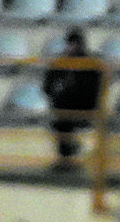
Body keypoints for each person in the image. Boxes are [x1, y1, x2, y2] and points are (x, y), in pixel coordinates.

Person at [41, 28, 104, 169]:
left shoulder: (91, 63)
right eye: (70, 44)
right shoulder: (60, 62)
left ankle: (69, 156)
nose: (71, 47)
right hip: (64, 105)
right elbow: (47, 85)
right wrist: (57, 91)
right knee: (62, 121)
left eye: (75, 44)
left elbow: (94, 89)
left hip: (85, 105)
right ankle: (66, 158)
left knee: (64, 120)